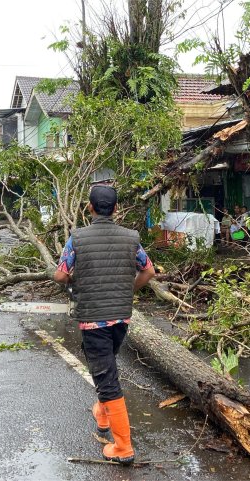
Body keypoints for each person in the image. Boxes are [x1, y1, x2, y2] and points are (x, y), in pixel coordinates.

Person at [52, 185, 155, 465]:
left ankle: (123, 448)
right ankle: (102, 412)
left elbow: (60, 276)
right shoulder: (131, 238)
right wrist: (129, 289)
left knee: (107, 380)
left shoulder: (77, 239)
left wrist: (77, 280)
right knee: (107, 368)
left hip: (93, 318)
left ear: (90, 208)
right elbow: (148, 270)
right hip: (121, 316)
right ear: (117, 209)